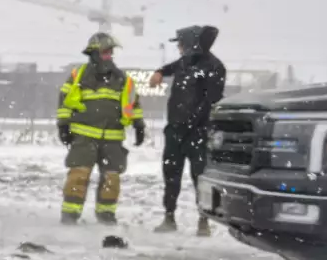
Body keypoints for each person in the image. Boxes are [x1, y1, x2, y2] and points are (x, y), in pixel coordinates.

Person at [56, 32, 146, 225]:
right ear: (94, 53)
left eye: (110, 52)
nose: (109, 56)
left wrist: (139, 124)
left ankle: (106, 215)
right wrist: (63, 125)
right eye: (106, 52)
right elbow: (65, 101)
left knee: (111, 179)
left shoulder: (122, 79)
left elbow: (133, 103)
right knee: (78, 176)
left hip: (112, 139)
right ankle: (70, 215)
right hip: (84, 137)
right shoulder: (78, 75)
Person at [150, 25, 226, 236]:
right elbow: (170, 67)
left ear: (191, 44)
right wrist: (159, 72)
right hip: (175, 131)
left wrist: (193, 123)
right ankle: (169, 217)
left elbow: (212, 100)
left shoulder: (215, 67)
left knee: (200, 178)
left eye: (181, 44)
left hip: (198, 133)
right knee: (171, 175)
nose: (179, 49)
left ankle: (204, 221)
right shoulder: (184, 62)